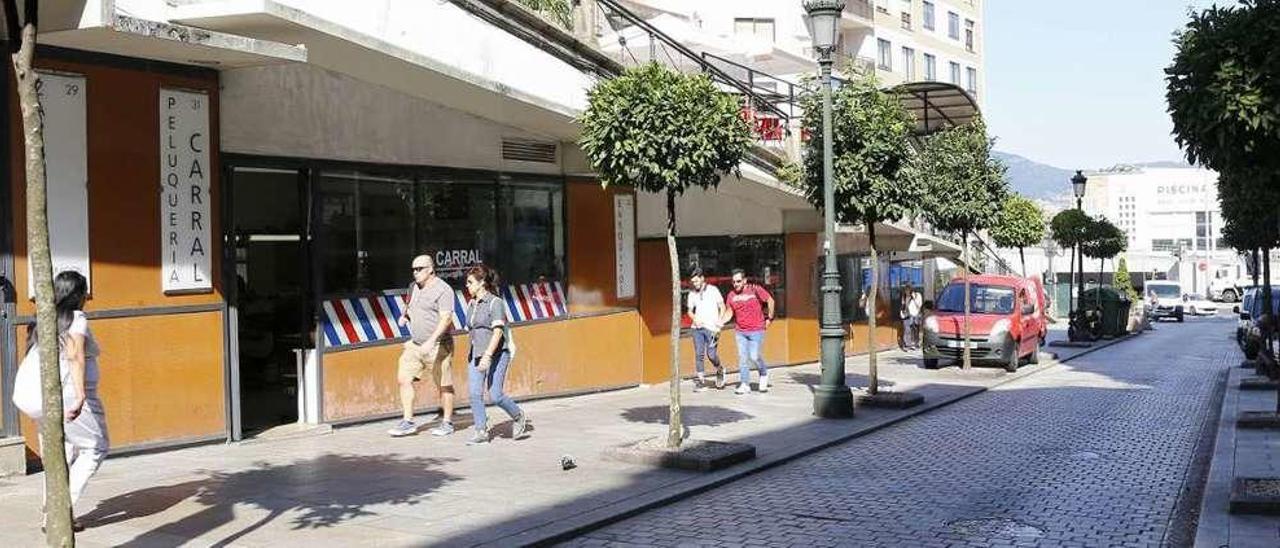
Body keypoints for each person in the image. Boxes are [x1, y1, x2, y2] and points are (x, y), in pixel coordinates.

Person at [29, 271, 105, 532]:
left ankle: (53, 512)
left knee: (61, 454)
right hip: (72, 397)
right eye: (84, 293)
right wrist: (81, 394)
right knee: (95, 447)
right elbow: (75, 356)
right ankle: (59, 511)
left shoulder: (46, 319)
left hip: (45, 397)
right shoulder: (76, 319)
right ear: (78, 295)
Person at [388, 255, 458, 437]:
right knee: (403, 378)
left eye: (419, 269)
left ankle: (447, 422)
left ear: (430, 270)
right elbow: (410, 305)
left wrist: (431, 340)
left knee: (444, 385)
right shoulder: (413, 287)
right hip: (415, 344)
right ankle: (408, 421)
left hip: (439, 345)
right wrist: (405, 316)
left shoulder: (443, 290)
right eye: (413, 269)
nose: (415, 272)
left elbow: (446, 319)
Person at [463, 265, 529, 445]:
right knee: (475, 393)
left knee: (495, 395)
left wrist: (487, 355)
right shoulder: (472, 304)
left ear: (482, 283)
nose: (467, 286)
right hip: (475, 353)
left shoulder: (495, 302)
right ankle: (481, 430)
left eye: (470, 282)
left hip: (497, 354)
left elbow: (498, 332)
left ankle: (518, 416)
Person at [721, 269, 775, 395]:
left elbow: (770, 300)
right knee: (743, 358)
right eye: (734, 282)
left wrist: (769, 318)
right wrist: (720, 322)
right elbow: (729, 312)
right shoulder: (731, 295)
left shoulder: (755, 289)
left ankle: (763, 374)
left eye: (739, 281)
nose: (736, 284)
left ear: (744, 281)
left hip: (756, 329)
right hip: (741, 332)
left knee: (754, 356)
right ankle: (745, 384)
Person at [686, 268, 725, 392]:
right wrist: (694, 319)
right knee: (699, 354)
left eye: (697, 281)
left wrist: (720, 320)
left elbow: (722, 306)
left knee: (711, 354)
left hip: (713, 328)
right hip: (697, 328)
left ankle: (720, 370)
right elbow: (689, 311)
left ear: (702, 278)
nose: (695, 284)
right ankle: (701, 381)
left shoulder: (713, 290)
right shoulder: (692, 293)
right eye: (693, 282)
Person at [900, 282, 924, 350]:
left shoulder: (917, 295)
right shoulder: (904, 296)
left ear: (911, 290)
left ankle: (916, 344)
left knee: (915, 329)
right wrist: (903, 311)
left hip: (916, 315)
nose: (906, 291)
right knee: (907, 329)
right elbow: (903, 305)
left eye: (908, 290)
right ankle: (908, 344)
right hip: (907, 315)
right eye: (905, 290)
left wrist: (914, 298)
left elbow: (919, 305)